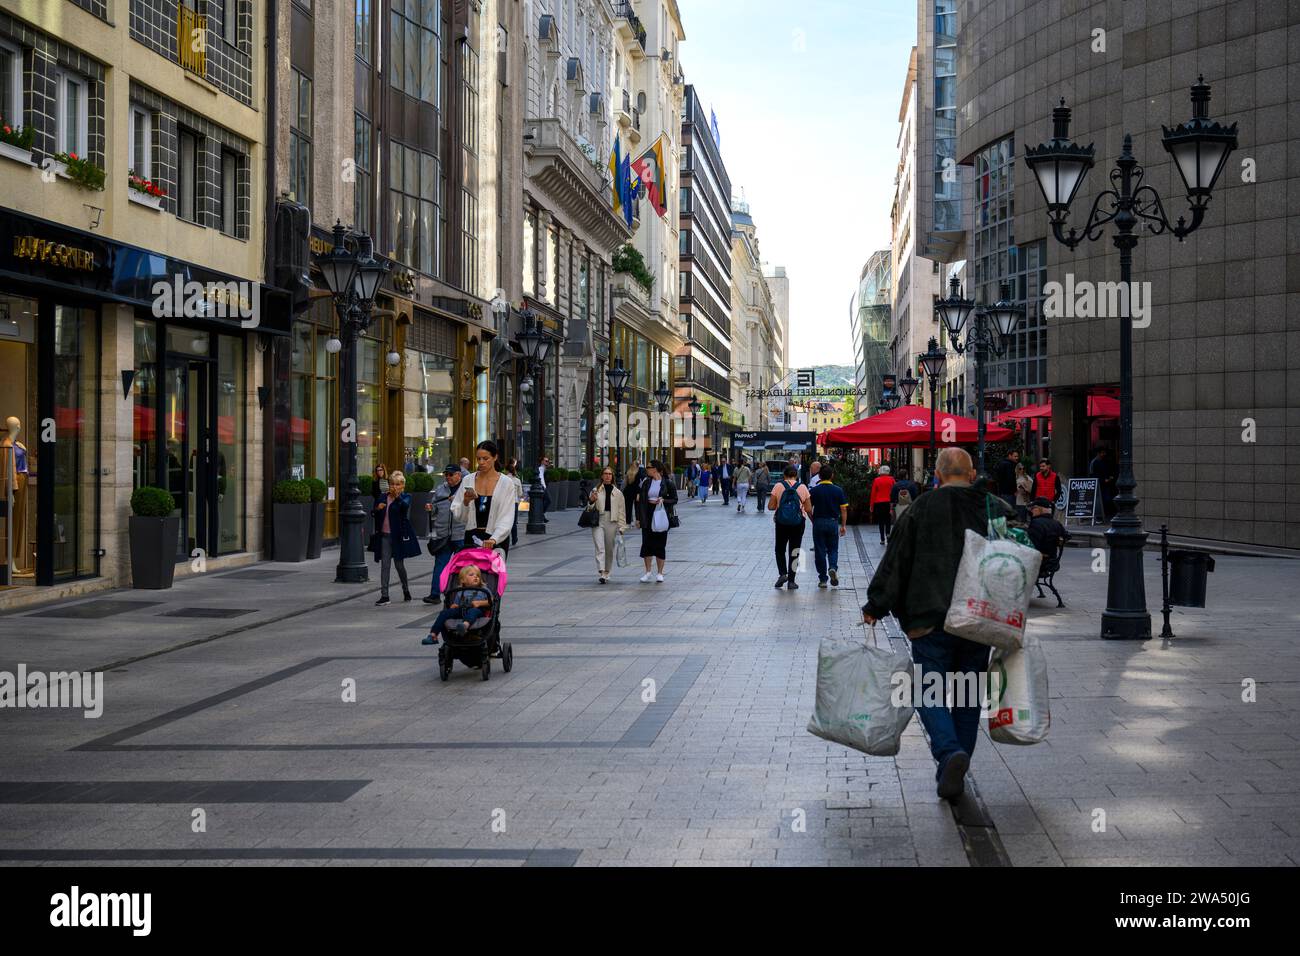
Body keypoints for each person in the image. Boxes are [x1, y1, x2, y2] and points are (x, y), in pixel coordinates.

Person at [862, 447, 1016, 802]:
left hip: (929, 620)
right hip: (977, 620)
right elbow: (1016, 555)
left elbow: (896, 561)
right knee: (966, 697)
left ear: (938, 474)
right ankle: (956, 763)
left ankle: (949, 755)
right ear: (972, 472)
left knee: (927, 691)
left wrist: (876, 605)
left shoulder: (920, 508)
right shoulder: (992, 508)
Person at [451, 440, 519, 557]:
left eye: (485, 458)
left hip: (496, 540)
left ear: (495, 457)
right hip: (472, 537)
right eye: (478, 459)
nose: (481, 462)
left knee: (491, 575)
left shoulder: (506, 483)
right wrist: (466, 502)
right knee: (471, 575)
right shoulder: (468, 480)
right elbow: (458, 515)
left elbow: (507, 517)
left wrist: (494, 539)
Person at [371, 469, 420, 606]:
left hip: (398, 537)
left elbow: (404, 508)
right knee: (385, 565)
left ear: (402, 486)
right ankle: (384, 595)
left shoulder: (406, 497)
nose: (394, 487)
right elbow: (373, 512)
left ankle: (406, 589)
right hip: (385, 536)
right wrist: (377, 509)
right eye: (392, 484)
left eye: (398, 484)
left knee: (399, 566)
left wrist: (397, 497)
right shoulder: (382, 497)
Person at [423, 463, 467, 605]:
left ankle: (461, 595)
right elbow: (435, 508)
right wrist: (431, 508)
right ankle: (435, 594)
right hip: (443, 534)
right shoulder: (441, 489)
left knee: (462, 567)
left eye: (451, 474)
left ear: (458, 475)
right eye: (446, 475)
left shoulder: (465, 489)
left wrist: (459, 500)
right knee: (440, 565)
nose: (448, 477)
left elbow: (471, 507)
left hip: (460, 534)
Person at [421, 565, 494, 646]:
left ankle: (464, 625)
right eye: (471, 575)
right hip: (462, 610)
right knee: (444, 613)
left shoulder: (484, 589)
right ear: (463, 580)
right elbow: (457, 604)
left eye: (478, 575)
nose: (475, 577)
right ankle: (433, 635)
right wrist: (454, 606)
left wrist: (479, 603)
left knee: (473, 611)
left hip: (478, 611)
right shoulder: (460, 591)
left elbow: (491, 601)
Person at [769, 464, 812, 590]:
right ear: (796, 476)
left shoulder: (778, 486)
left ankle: (782, 573)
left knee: (779, 549)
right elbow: (808, 508)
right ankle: (792, 581)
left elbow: (771, 506)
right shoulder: (803, 487)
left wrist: (780, 505)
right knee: (794, 551)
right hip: (798, 523)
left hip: (781, 522)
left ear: (784, 475)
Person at [636, 460, 678, 583]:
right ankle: (648, 572)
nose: (646, 469)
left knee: (660, 543)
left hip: (660, 513)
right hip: (647, 513)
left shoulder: (667, 483)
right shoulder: (646, 483)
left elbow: (675, 499)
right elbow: (640, 501)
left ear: (655, 469)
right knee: (647, 543)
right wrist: (638, 518)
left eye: (648, 467)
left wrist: (663, 500)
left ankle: (660, 573)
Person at [808, 463, 848, 589]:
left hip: (819, 521)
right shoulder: (838, 490)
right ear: (832, 476)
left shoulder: (814, 490)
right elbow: (843, 510)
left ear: (819, 476)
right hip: (832, 522)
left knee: (819, 550)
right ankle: (832, 567)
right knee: (833, 549)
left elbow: (808, 508)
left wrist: (813, 520)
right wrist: (843, 525)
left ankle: (823, 579)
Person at [1027, 496, 1070, 570]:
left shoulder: (1036, 523)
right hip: (1052, 562)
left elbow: (1032, 546)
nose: (1031, 511)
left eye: (1033, 508)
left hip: (1039, 563)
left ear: (1038, 509)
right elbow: (1067, 536)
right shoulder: (1056, 523)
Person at [869, 464, 896, 545]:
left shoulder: (876, 480)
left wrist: (871, 505)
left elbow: (873, 494)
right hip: (888, 502)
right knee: (888, 520)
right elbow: (895, 490)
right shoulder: (892, 479)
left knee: (881, 521)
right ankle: (888, 534)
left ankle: (882, 539)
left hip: (879, 503)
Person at [1089, 447, 1117, 518]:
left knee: (1106, 499)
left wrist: (1108, 478)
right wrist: (1103, 480)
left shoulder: (1103, 461)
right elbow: (1093, 475)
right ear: (1099, 453)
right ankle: (1101, 515)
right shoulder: (1095, 462)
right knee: (1102, 500)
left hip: (1105, 484)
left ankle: (1105, 514)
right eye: (1103, 453)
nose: (1104, 454)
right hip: (1099, 484)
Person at [537, 455, 552, 523]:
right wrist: (543, 487)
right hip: (542, 487)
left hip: (544, 487)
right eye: (546, 461)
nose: (547, 462)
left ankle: (541, 515)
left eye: (548, 461)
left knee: (544, 502)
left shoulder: (544, 469)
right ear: (542, 462)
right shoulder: (540, 469)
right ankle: (540, 514)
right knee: (548, 500)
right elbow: (541, 479)